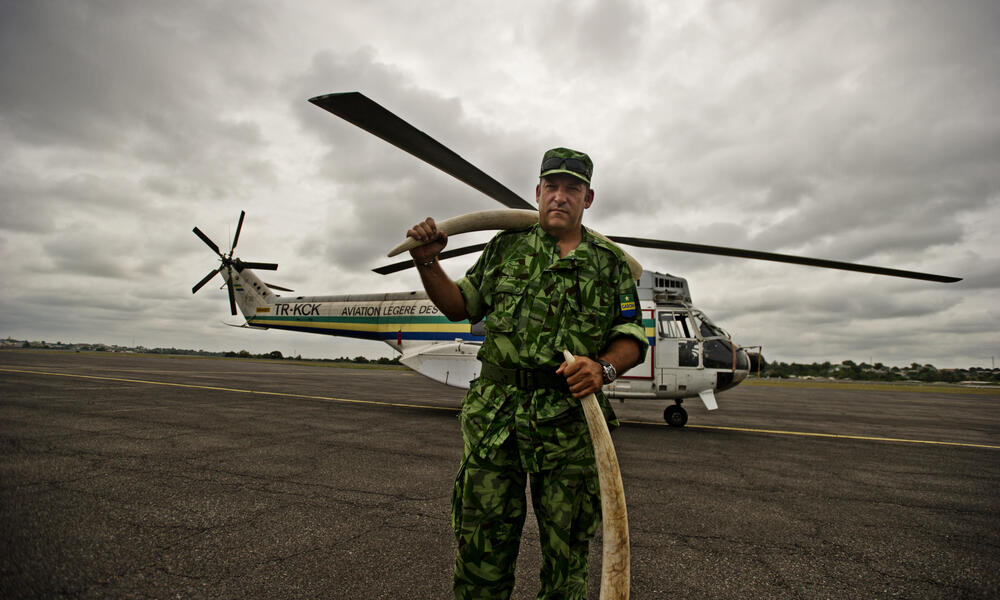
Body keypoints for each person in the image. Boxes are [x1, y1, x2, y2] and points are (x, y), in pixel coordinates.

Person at [406, 147, 648, 599]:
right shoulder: (505, 247)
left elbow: (631, 336)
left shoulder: (609, 263)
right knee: (482, 549)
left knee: (568, 555)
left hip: (569, 424)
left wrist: (605, 368)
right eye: (551, 187)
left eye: (571, 188)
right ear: (537, 193)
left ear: (587, 198)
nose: (560, 196)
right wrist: (427, 260)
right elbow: (460, 306)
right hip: (496, 419)